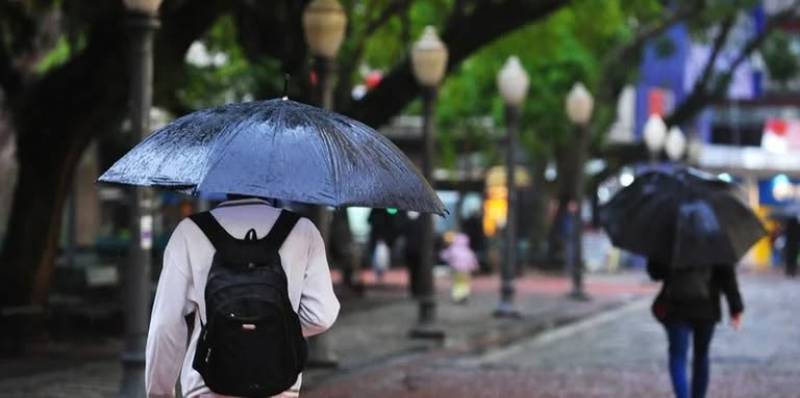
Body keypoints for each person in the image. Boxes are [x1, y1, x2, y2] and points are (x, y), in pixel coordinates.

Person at [146, 196, 340, 398]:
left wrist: (159, 393)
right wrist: (272, 331)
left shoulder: (189, 231)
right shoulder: (303, 230)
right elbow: (321, 315)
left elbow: (165, 325)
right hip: (277, 382)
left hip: (207, 382)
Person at [647, 259, 744, 398]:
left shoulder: (670, 239)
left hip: (676, 307)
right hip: (707, 308)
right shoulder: (715, 241)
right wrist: (735, 307)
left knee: (677, 356)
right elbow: (727, 274)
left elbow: (655, 272)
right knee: (701, 355)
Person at [440, 232, 479, 303]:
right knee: (465, 283)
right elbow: (472, 259)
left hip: (456, 270)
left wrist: (443, 254)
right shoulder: (467, 250)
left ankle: (457, 296)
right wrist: (474, 266)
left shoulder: (453, 248)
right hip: (465, 271)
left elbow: (445, 256)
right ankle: (464, 295)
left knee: (457, 283)